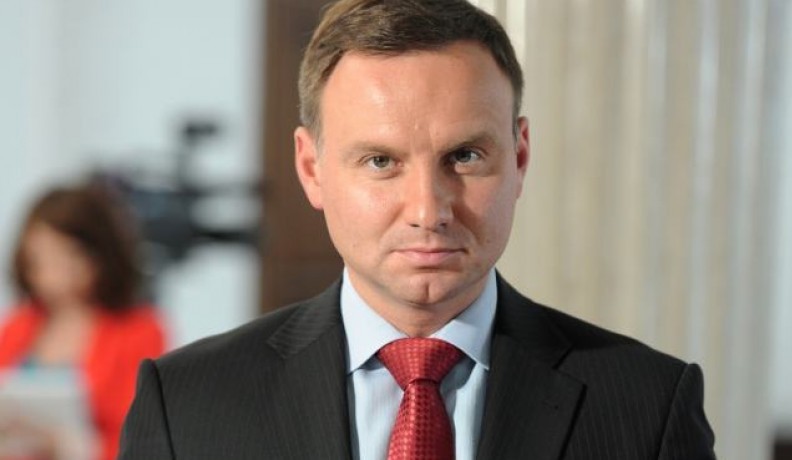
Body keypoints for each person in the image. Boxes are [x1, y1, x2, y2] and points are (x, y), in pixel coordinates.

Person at [119, 0, 716, 458]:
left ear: (520, 157)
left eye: (465, 157)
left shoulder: (649, 407)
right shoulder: (187, 406)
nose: (428, 211)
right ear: (312, 169)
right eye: (381, 161)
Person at [0, 182, 165, 460]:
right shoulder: (18, 325)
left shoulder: (140, 331)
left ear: (99, 255)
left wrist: (67, 447)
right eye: (40, 258)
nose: (52, 272)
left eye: (65, 256)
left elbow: (145, 437)